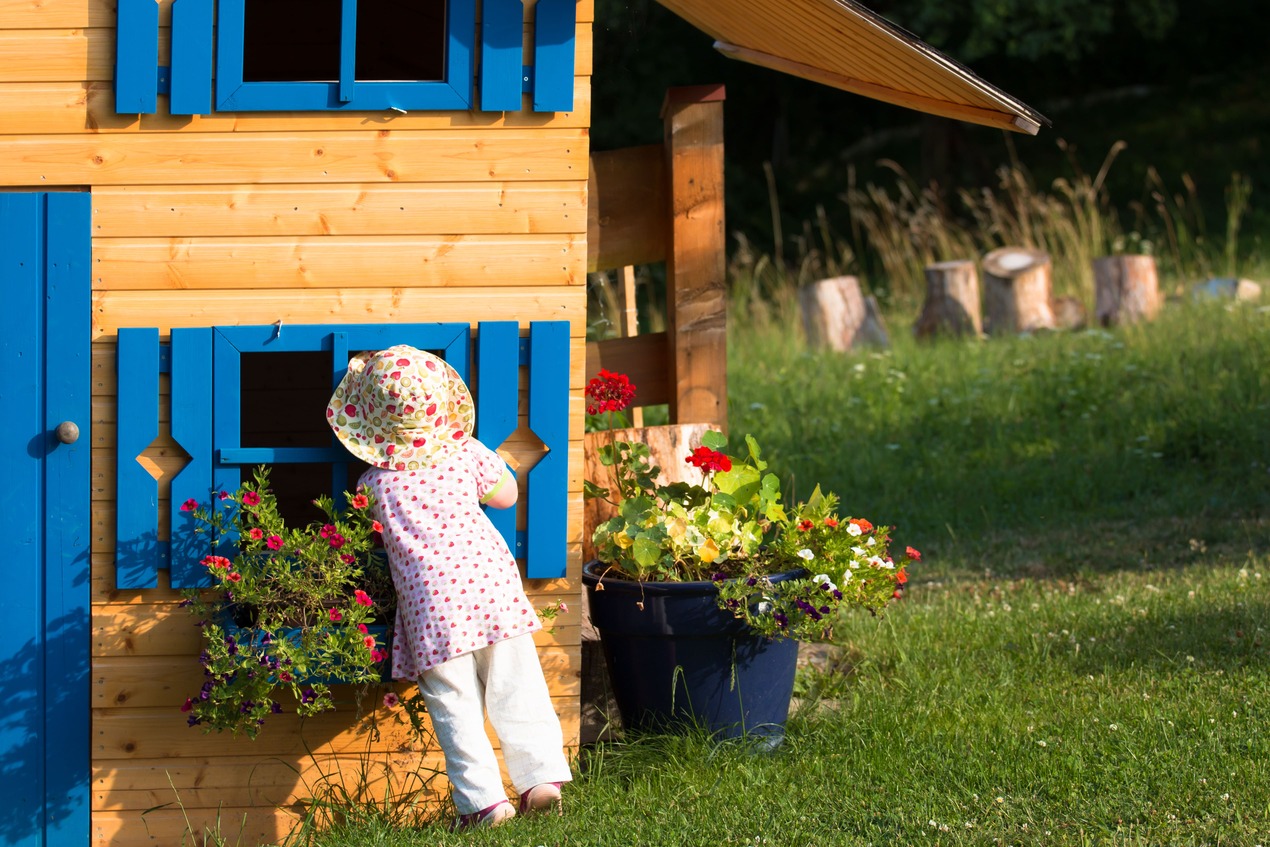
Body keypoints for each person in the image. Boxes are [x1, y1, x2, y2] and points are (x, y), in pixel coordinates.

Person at [327, 344, 571, 829]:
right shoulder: (467, 453)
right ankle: (540, 779)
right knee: (517, 685)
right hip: (490, 588)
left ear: (372, 425)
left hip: (431, 607)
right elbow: (506, 497)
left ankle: (485, 805)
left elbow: (357, 532)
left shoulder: (373, 483)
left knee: (453, 705)